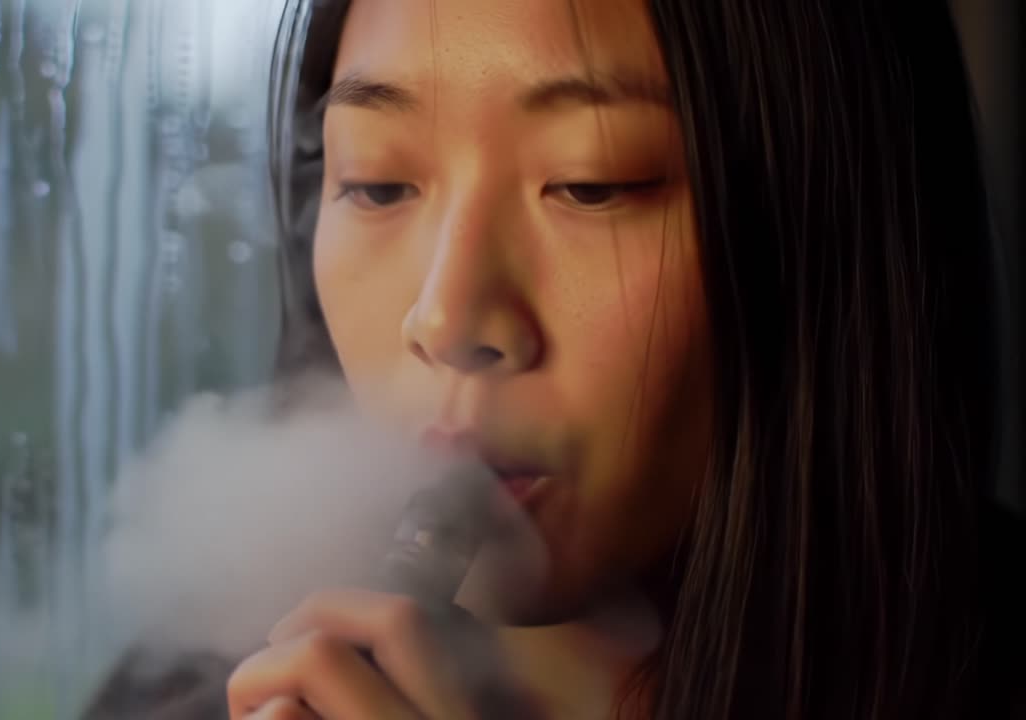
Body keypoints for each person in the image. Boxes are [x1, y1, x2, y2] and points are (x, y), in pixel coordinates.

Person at [87, 0, 1023, 717]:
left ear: (834, 227)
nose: (448, 317)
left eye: (592, 182)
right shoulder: (195, 690)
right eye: (375, 182)